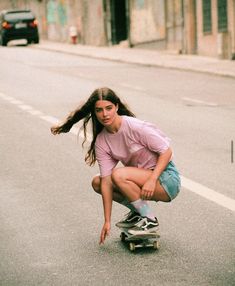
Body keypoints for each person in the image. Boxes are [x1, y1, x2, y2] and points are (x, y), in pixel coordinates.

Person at [51, 87, 181, 245]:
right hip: (143, 179)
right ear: (94, 112)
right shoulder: (102, 141)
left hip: (166, 179)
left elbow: (166, 152)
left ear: (117, 107)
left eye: (109, 108)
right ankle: (139, 212)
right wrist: (107, 221)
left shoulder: (135, 127)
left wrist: (152, 179)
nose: (105, 114)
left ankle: (149, 218)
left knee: (118, 175)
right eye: (99, 110)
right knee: (97, 182)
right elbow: (106, 182)